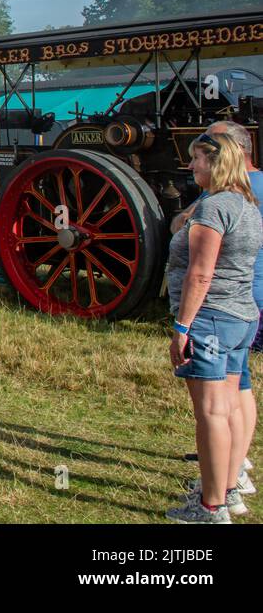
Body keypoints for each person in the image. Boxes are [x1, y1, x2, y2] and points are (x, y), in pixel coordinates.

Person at [165, 131, 263, 523]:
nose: (191, 167)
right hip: (241, 315)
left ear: (216, 163)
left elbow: (200, 274)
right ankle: (227, 492)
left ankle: (210, 506)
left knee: (210, 413)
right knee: (230, 404)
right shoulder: (247, 204)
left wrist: (181, 326)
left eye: (197, 160)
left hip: (210, 319)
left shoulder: (214, 209)